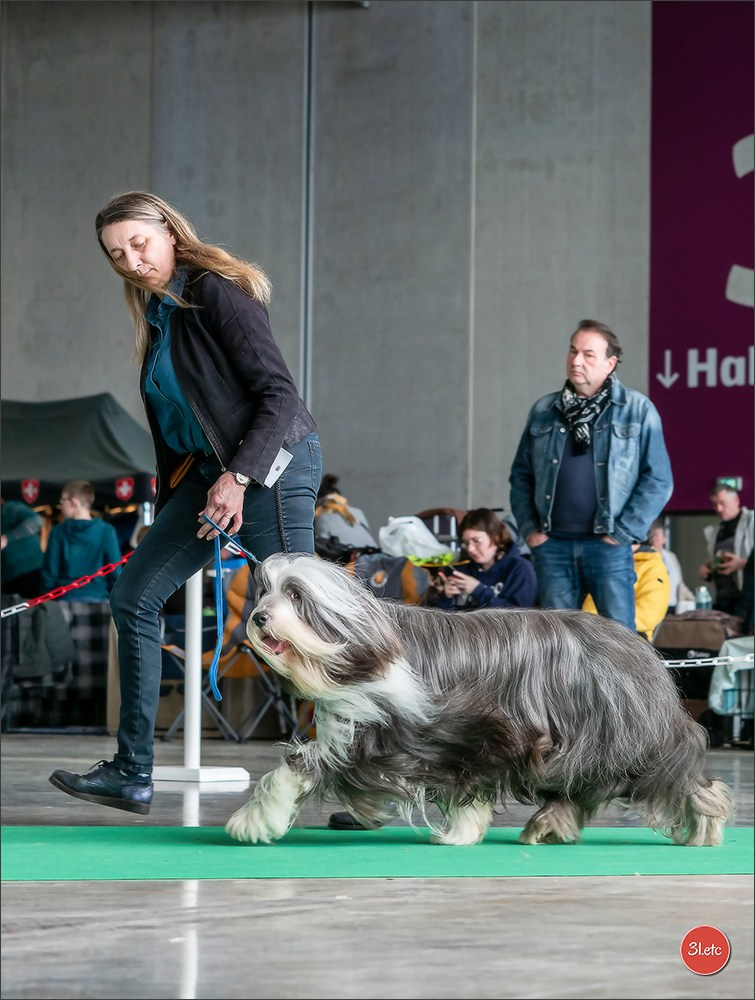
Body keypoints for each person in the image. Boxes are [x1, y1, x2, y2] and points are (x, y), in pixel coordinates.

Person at [49, 191, 322, 815]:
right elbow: (184, 422)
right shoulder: (159, 310)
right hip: (207, 476)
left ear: (168, 231)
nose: (131, 261)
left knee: (306, 625)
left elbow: (279, 397)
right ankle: (131, 772)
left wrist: (241, 478)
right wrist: (177, 501)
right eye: (117, 255)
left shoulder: (216, 292)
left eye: (138, 243)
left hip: (270, 470)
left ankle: (369, 774)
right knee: (136, 594)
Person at [509, 319, 673, 632]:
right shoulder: (544, 409)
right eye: (573, 351)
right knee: (558, 646)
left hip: (608, 545)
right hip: (552, 544)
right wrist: (531, 531)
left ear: (610, 363)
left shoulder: (637, 409)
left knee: (618, 642)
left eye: (588, 354)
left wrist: (622, 534)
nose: (576, 360)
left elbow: (659, 480)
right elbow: (521, 477)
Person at [426, 508, 538, 610]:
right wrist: (446, 597)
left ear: (495, 537)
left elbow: (520, 617)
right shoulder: (462, 568)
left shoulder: (520, 568)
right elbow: (441, 618)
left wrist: (478, 590)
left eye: (476, 541)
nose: (470, 549)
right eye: (465, 542)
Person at [41, 481, 123, 601]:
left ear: (73, 502)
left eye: (63, 501)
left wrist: (46, 598)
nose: (61, 505)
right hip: (99, 597)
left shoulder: (58, 531)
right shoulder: (107, 531)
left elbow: (50, 572)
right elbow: (115, 571)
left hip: (65, 599)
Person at [583, 540, 670, 641]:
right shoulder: (600, 562)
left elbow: (649, 616)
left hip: (629, 635)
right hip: (590, 632)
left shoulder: (653, 566)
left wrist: (598, 627)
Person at [699, 480, 754, 615]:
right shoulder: (716, 531)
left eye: (722, 503)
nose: (718, 508)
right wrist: (706, 569)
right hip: (723, 598)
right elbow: (714, 560)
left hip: (748, 599)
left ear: (736, 500)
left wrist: (741, 563)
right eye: (714, 504)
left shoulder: (752, 521)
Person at [314, 473, 377, 562]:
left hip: (352, 560)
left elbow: (322, 545)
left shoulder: (320, 514)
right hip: (375, 554)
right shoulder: (357, 512)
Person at [647, 518, 694, 614]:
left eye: (657, 536)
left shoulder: (670, 557)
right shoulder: (640, 557)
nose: (655, 540)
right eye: (652, 536)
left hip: (673, 607)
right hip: (651, 608)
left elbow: (679, 582)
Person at [0, 498, 44, 598]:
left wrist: (7, 538)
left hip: (32, 571)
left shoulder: (8, 508)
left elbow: (37, 521)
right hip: (8, 579)